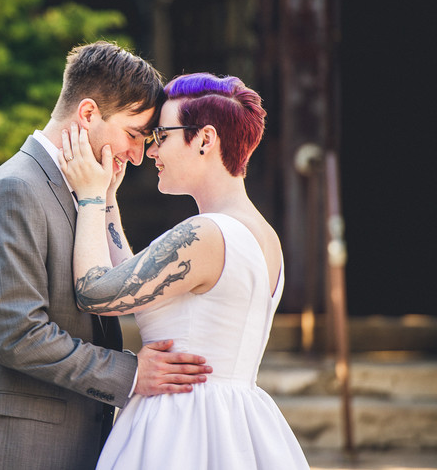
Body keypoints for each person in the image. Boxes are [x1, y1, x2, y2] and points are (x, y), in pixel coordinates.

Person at [0, 42, 212, 470]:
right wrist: (132, 374)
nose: (138, 155)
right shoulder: (16, 189)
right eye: (134, 134)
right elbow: (17, 335)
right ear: (87, 115)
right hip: (10, 446)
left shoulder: (87, 194)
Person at [59, 72, 309, 469]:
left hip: (182, 425)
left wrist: (88, 198)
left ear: (205, 139)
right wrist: (108, 197)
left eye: (162, 136)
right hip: (237, 421)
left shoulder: (206, 233)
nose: (150, 152)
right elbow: (134, 282)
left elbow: (96, 291)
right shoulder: (264, 234)